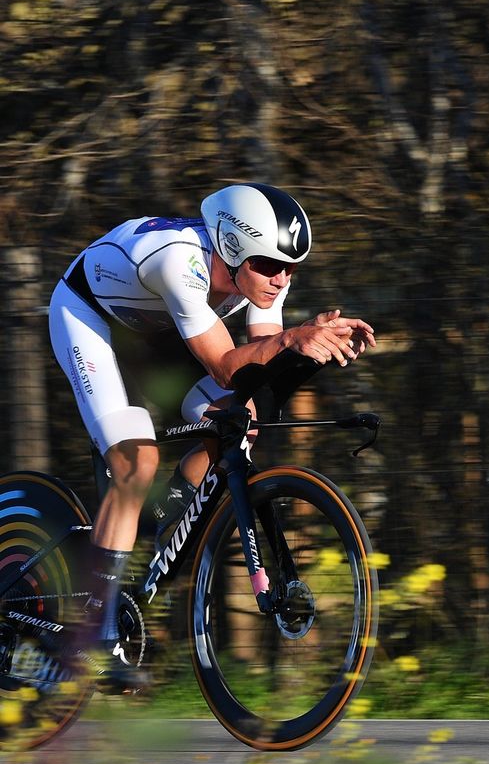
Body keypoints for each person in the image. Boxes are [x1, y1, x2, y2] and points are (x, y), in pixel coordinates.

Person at [48, 182, 376, 688]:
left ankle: (168, 515)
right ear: (231, 246)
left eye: (290, 267)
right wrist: (294, 338)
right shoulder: (181, 263)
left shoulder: (269, 273)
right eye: (268, 264)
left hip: (160, 333)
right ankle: (93, 631)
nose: (280, 278)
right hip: (93, 320)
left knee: (241, 418)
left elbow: (257, 368)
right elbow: (226, 365)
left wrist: (311, 347)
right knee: (138, 463)